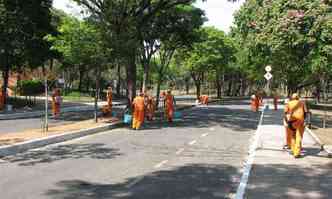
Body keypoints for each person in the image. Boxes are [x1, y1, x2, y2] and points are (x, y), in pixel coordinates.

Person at [284, 93, 308, 158]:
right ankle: (296, 153)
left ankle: (293, 149)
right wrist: (305, 120)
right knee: (299, 136)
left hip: (292, 122)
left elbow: (286, 113)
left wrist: (287, 122)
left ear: (292, 97)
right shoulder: (302, 103)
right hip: (300, 121)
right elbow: (305, 113)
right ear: (298, 97)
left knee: (293, 136)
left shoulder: (289, 103)